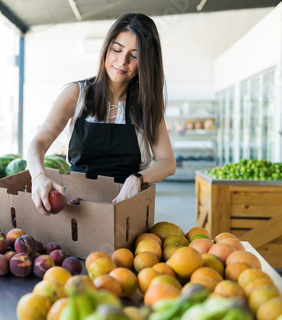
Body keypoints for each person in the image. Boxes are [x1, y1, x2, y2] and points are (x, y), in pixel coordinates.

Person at [26, 12, 176, 216]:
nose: (122, 61)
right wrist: (38, 177)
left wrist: (138, 178)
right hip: (77, 210)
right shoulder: (76, 94)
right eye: (117, 49)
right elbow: (38, 143)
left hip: (127, 209)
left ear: (146, 63)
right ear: (107, 48)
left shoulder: (146, 105)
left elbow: (168, 162)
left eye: (134, 55)